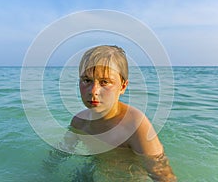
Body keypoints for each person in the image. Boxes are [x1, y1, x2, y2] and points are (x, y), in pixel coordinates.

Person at [67, 45, 176, 181]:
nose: (93, 91)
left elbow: (163, 175)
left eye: (104, 82)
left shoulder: (135, 125)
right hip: (95, 170)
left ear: (123, 86)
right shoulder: (79, 122)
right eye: (87, 80)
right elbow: (59, 154)